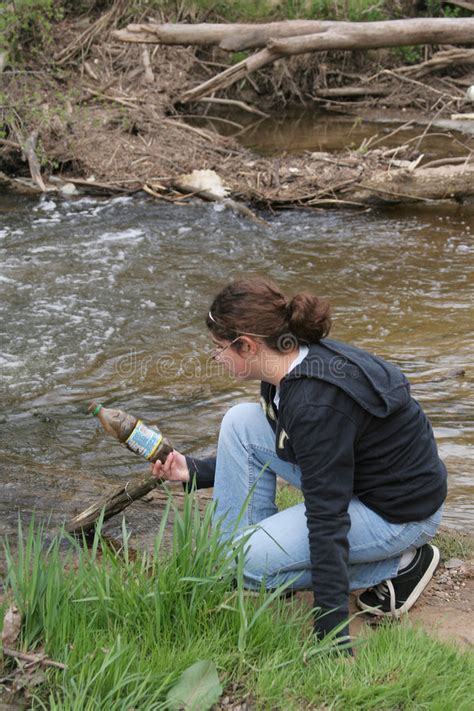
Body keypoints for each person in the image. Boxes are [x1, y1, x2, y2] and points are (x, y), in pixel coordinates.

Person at [151, 277, 447, 646]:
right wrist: (193, 471)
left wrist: (332, 633)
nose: (217, 359)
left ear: (247, 345)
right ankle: (248, 557)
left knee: (237, 564)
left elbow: (327, 520)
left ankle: (402, 566)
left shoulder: (313, 403)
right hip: (363, 480)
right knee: (240, 422)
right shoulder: (289, 366)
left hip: (399, 514)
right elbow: (287, 446)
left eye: (218, 348)